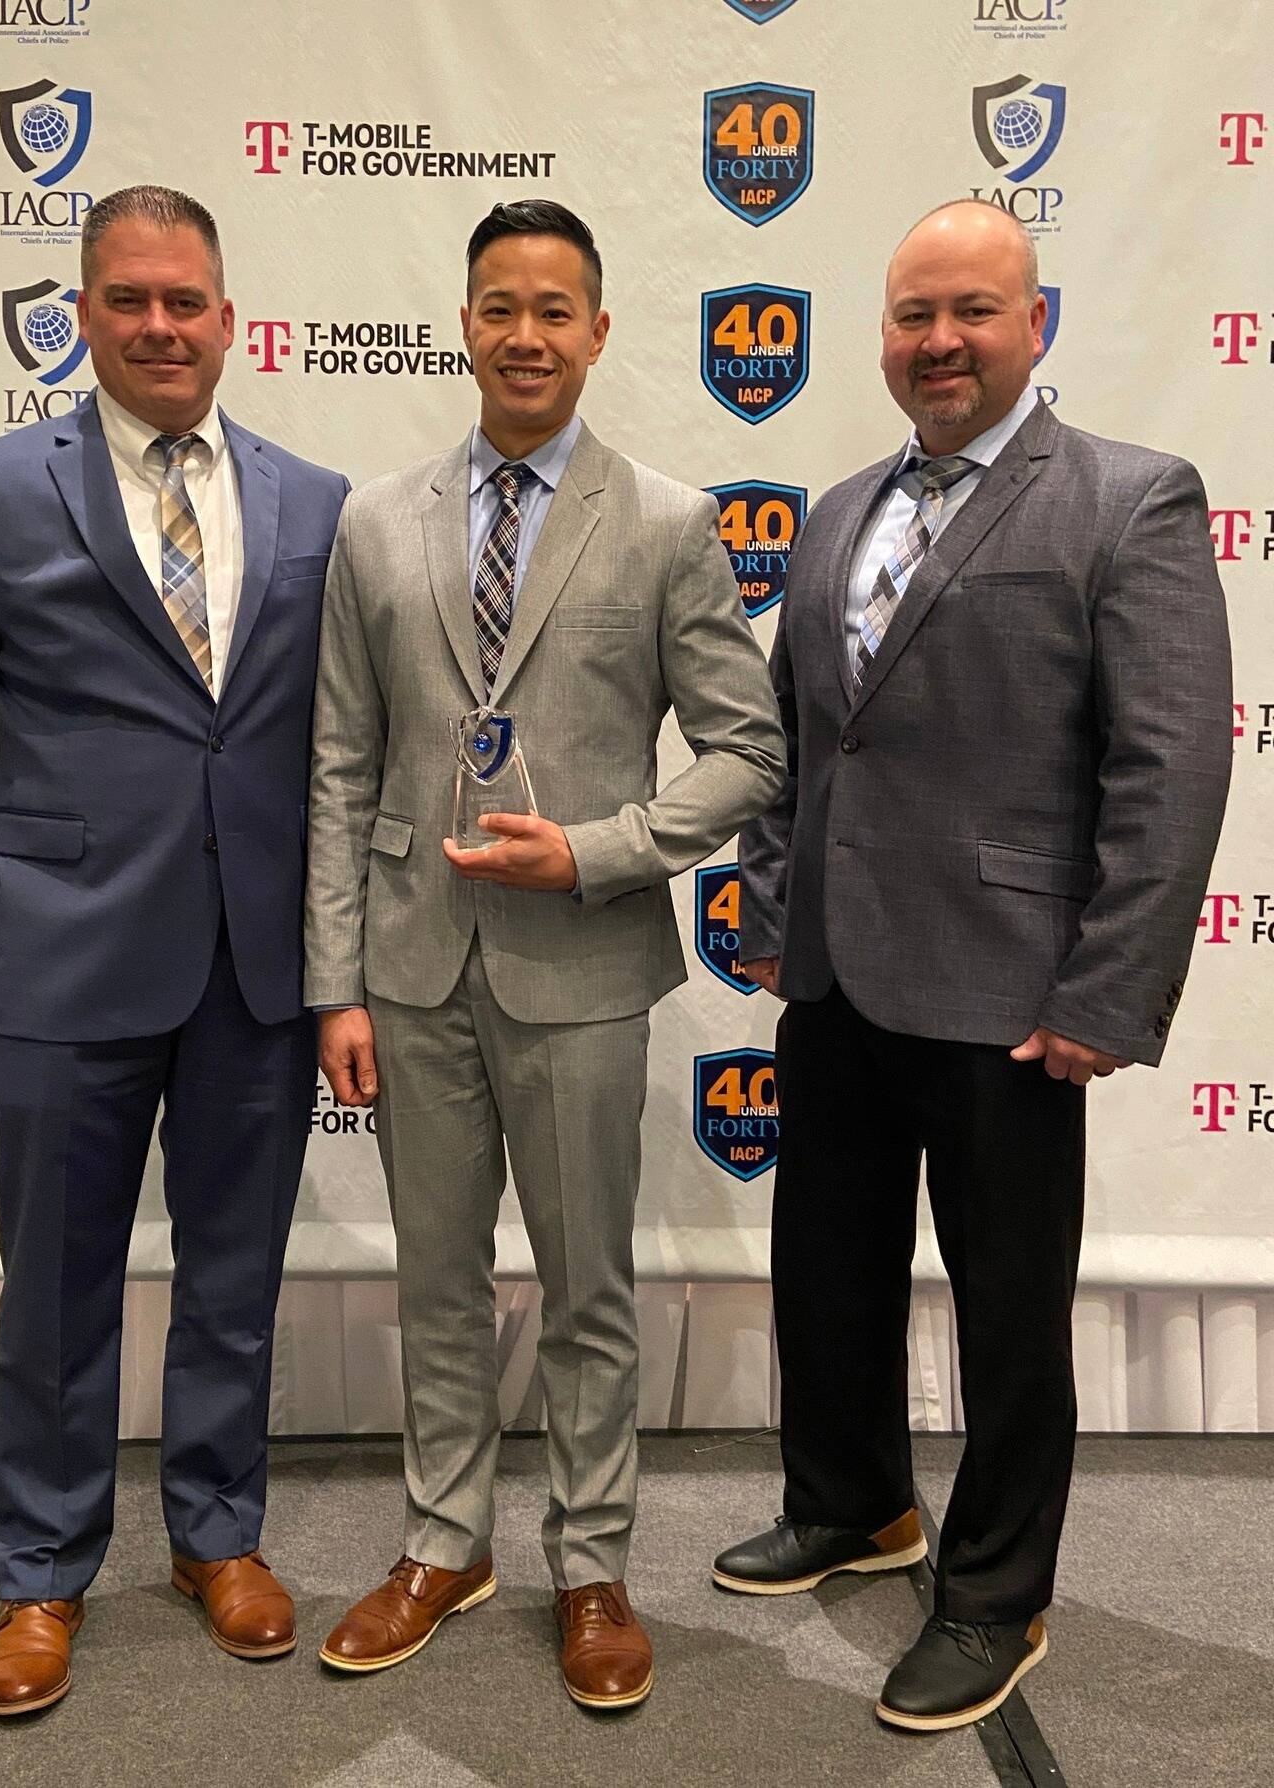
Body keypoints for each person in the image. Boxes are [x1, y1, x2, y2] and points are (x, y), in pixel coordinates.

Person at [713, 198, 1233, 1732]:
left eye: (971, 313)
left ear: (1035, 323)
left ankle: (998, 1595)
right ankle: (853, 1500)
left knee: (1008, 1313)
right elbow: (797, 735)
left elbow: (1170, 764)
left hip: (1014, 992)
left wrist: (1106, 996)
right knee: (827, 1268)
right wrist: (764, 897)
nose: (938, 342)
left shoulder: (1127, 500)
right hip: (835, 976)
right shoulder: (834, 510)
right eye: (912, 316)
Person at [0, 185, 348, 1716]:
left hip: (253, 971)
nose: (160, 326)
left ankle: (218, 1537)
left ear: (229, 316)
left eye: (186, 300)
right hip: (66, 963)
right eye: (130, 299)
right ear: (84, 315)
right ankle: (43, 1573)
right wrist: (5, 881)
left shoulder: (315, 501)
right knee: (58, 1286)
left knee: (233, 1279)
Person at [305, 199, 784, 1709]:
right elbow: (335, 760)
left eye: (554, 309)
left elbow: (749, 748)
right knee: (440, 1280)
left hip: (582, 965)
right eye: (499, 307)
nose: (525, 334)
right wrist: (334, 981)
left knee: (585, 1286)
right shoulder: (374, 522)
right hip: (411, 963)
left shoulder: (666, 522)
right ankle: (445, 1544)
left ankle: (592, 1565)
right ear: (464, 324)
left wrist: (599, 849)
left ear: (596, 329)